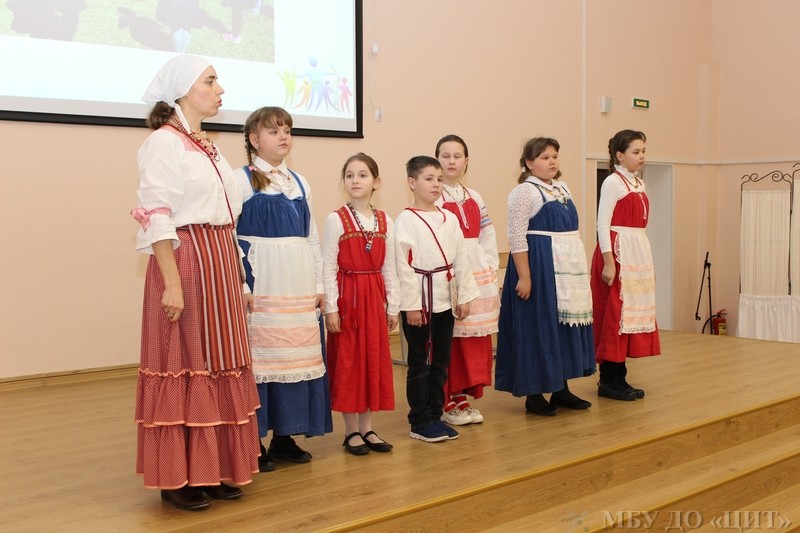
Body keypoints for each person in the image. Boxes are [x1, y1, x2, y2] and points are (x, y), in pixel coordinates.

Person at [131, 54, 260, 512]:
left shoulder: (206, 145)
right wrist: (171, 282)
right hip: (188, 261)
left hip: (219, 260)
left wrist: (238, 277)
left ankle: (215, 467)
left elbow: (227, 215)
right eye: (210, 80)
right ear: (184, 90)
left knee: (220, 359)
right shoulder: (164, 144)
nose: (219, 88)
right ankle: (179, 477)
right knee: (188, 360)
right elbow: (157, 214)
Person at [233, 106, 332, 472]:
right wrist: (242, 283)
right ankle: (253, 441)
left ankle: (285, 436)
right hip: (263, 282)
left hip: (298, 284)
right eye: (274, 131)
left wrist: (318, 284)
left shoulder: (301, 182)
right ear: (254, 139)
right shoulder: (239, 180)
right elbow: (228, 236)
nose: (283, 137)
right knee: (261, 360)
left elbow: (311, 237)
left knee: (294, 358)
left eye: (287, 130)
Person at [495, 137, 595, 416]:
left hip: (565, 268)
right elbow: (516, 237)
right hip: (539, 266)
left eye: (554, 156)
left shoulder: (562, 188)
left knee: (561, 327)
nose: (551, 162)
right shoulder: (524, 192)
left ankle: (560, 389)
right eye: (544, 157)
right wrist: (525, 277)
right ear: (529, 163)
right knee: (537, 327)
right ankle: (534, 394)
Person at [394, 156, 480, 443]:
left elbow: (461, 259)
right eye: (428, 179)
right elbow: (403, 266)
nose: (435, 184)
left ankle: (435, 413)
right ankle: (419, 420)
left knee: (441, 360)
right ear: (412, 182)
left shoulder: (449, 218)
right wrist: (412, 305)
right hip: (420, 300)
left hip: (445, 298)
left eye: (439, 179)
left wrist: (463, 296)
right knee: (420, 362)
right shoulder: (406, 220)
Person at [322, 153, 400, 455]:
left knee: (373, 360)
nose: (356, 180)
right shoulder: (336, 219)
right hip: (348, 300)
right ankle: (351, 431)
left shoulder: (385, 220)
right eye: (350, 175)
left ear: (376, 182)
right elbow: (328, 267)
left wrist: (393, 305)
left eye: (363, 175)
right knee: (349, 362)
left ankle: (367, 428)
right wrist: (331, 308)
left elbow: (389, 267)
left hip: (374, 299)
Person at [434, 135, 500, 425]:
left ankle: (461, 393)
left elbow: (487, 233)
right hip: (450, 272)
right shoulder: (434, 195)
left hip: (477, 271)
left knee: (471, 341)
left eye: (457, 156)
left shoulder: (474, 195)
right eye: (445, 155)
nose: (451, 161)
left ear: (466, 161)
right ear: (437, 159)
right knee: (449, 338)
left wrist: (490, 265)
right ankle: (445, 397)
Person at [591, 130, 661, 400]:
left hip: (635, 252)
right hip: (617, 252)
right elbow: (602, 224)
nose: (642, 156)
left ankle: (620, 377)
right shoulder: (613, 182)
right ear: (620, 156)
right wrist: (609, 262)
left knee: (629, 315)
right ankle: (609, 379)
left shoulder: (638, 183)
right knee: (615, 315)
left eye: (643, 151)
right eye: (636, 151)